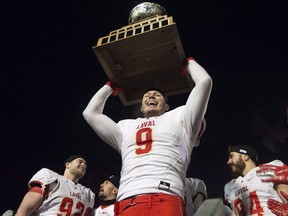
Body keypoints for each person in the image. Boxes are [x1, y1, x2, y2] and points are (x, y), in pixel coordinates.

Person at [83, 57, 213, 215]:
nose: (151, 96)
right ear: (141, 108)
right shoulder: (125, 126)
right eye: (147, 95)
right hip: (126, 200)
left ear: (167, 106)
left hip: (165, 195)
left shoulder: (181, 117)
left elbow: (204, 81)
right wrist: (109, 87)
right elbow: (90, 113)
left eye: (157, 95)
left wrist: (189, 63)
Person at [14, 155, 95, 216]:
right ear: (67, 164)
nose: (83, 165)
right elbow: (25, 209)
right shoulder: (51, 177)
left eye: (85, 165)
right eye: (80, 162)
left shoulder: (88, 194)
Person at [224, 144, 288, 215]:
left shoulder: (267, 170)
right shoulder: (230, 186)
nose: (228, 162)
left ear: (245, 156)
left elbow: (285, 196)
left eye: (231, 157)